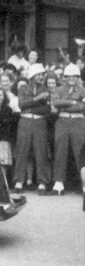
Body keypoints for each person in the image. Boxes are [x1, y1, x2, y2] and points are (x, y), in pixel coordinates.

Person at [13, 64, 51, 194]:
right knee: (22, 151)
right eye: (39, 75)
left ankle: (42, 183)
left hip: (40, 122)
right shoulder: (23, 88)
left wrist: (30, 108)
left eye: (42, 75)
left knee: (41, 152)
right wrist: (37, 99)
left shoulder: (46, 89)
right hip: (25, 122)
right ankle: (19, 181)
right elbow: (21, 104)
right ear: (32, 76)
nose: (41, 77)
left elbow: (47, 109)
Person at [50, 63, 85, 195]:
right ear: (64, 77)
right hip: (63, 121)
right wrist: (73, 102)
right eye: (68, 76)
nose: (71, 78)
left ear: (78, 77)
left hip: (78, 121)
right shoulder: (59, 89)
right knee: (60, 150)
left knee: (80, 152)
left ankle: (84, 184)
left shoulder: (81, 89)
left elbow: (82, 107)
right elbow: (55, 102)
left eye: (74, 76)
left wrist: (65, 104)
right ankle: (58, 183)